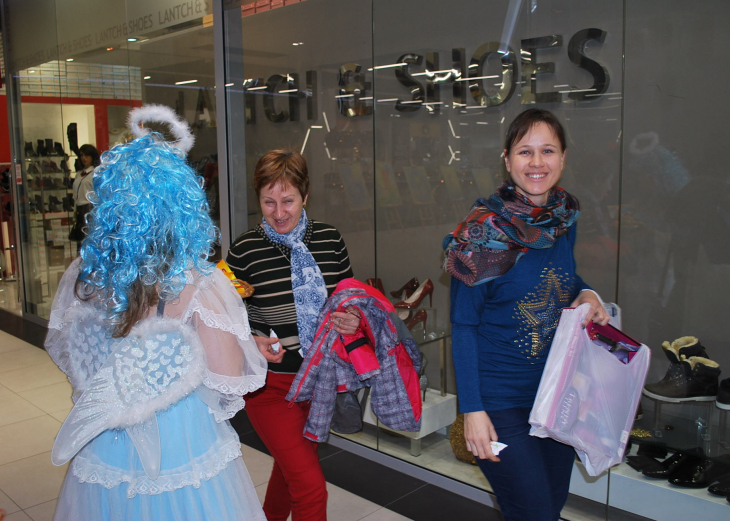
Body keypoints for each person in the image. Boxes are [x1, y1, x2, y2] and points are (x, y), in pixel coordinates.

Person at [45, 105, 268, 521]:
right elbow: (226, 377)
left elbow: (71, 350)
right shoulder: (196, 282)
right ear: (179, 208)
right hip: (179, 441)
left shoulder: (84, 275)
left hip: (105, 440)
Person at [444, 108, 609, 521]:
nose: (537, 163)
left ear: (563, 158)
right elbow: (463, 326)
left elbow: (560, 278)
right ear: (507, 159)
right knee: (534, 512)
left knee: (547, 510)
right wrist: (472, 411)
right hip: (498, 403)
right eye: (525, 151)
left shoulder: (562, 219)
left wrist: (587, 292)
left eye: (547, 150)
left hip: (555, 397)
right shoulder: (482, 235)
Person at [226, 149, 359, 521]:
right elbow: (224, 317)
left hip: (319, 384)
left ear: (306, 196)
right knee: (311, 488)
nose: (279, 213)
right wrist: (249, 337)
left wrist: (350, 320)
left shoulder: (331, 240)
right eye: (268, 202)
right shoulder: (244, 250)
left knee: (290, 473)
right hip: (271, 389)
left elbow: (347, 303)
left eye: (288, 201)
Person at [69, 144, 100, 241]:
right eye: (82, 155)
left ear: (92, 157)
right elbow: (76, 194)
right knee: (80, 237)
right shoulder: (79, 174)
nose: (84, 158)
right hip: (79, 208)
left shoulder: (96, 173)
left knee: (89, 237)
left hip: (89, 208)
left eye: (87, 155)